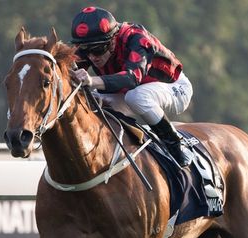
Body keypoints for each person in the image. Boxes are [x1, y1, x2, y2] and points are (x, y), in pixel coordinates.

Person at [69, 6, 193, 167]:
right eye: (85, 51)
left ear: (113, 39)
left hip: (174, 88)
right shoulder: (94, 45)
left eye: (98, 49)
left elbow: (132, 78)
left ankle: (175, 145)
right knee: (93, 100)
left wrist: (92, 81)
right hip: (130, 92)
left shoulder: (136, 38)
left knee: (136, 96)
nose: (92, 57)